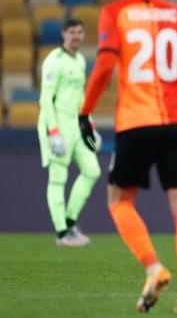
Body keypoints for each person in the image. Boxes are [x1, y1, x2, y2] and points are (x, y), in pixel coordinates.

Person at [78, 0, 177, 314]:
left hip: (135, 123)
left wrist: (84, 112)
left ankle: (153, 267)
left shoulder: (116, 12)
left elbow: (105, 66)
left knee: (118, 201)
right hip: (175, 124)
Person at [38, 18, 101, 247]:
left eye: (80, 32)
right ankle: (62, 234)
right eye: (72, 32)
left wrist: (90, 125)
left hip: (76, 125)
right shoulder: (54, 61)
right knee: (58, 179)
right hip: (57, 124)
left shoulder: (81, 60)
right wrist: (53, 131)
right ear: (63, 34)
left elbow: (81, 97)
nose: (77, 36)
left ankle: (70, 221)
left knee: (92, 171)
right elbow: (46, 98)